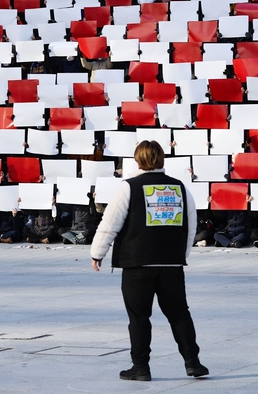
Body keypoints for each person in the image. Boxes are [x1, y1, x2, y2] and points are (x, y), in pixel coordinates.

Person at [89, 140, 209, 382]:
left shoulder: (129, 187)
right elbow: (190, 225)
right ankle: (193, 363)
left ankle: (140, 367)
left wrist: (97, 252)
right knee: (179, 314)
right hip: (171, 264)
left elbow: (110, 222)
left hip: (137, 263)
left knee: (139, 317)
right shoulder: (180, 188)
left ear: (137, 159)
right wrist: (181, 255)